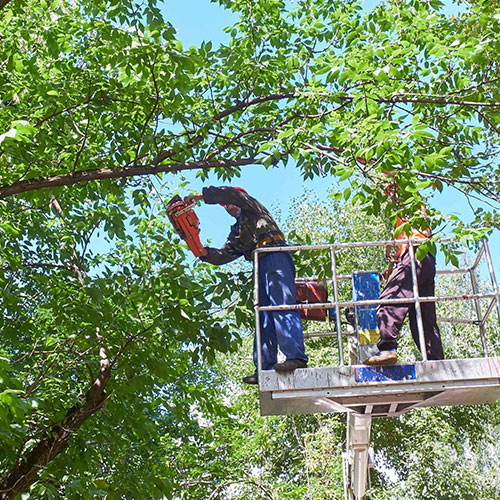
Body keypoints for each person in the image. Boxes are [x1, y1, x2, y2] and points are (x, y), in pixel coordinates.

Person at [184, 186, 308, 384]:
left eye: (228, 201)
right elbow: (224, 254)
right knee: (263, 315)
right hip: (260, 264)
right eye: (224, 205)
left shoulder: (252, 207)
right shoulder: (238, 231)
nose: (228, 206)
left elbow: (233, 195)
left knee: (281, 304)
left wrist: (201, 197)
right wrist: (201, 251)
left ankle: (296, 357)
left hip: (276, 255)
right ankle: (264, 368)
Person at [364, 179, 444, 366]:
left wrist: (368, 157)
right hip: (425, 259)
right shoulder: (404, 221)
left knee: (390, 300)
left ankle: (387, 349)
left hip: (416, 252)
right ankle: (437, 363)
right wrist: (393, 268)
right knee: (422, 317)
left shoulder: (409, 199)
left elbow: (395, 172)